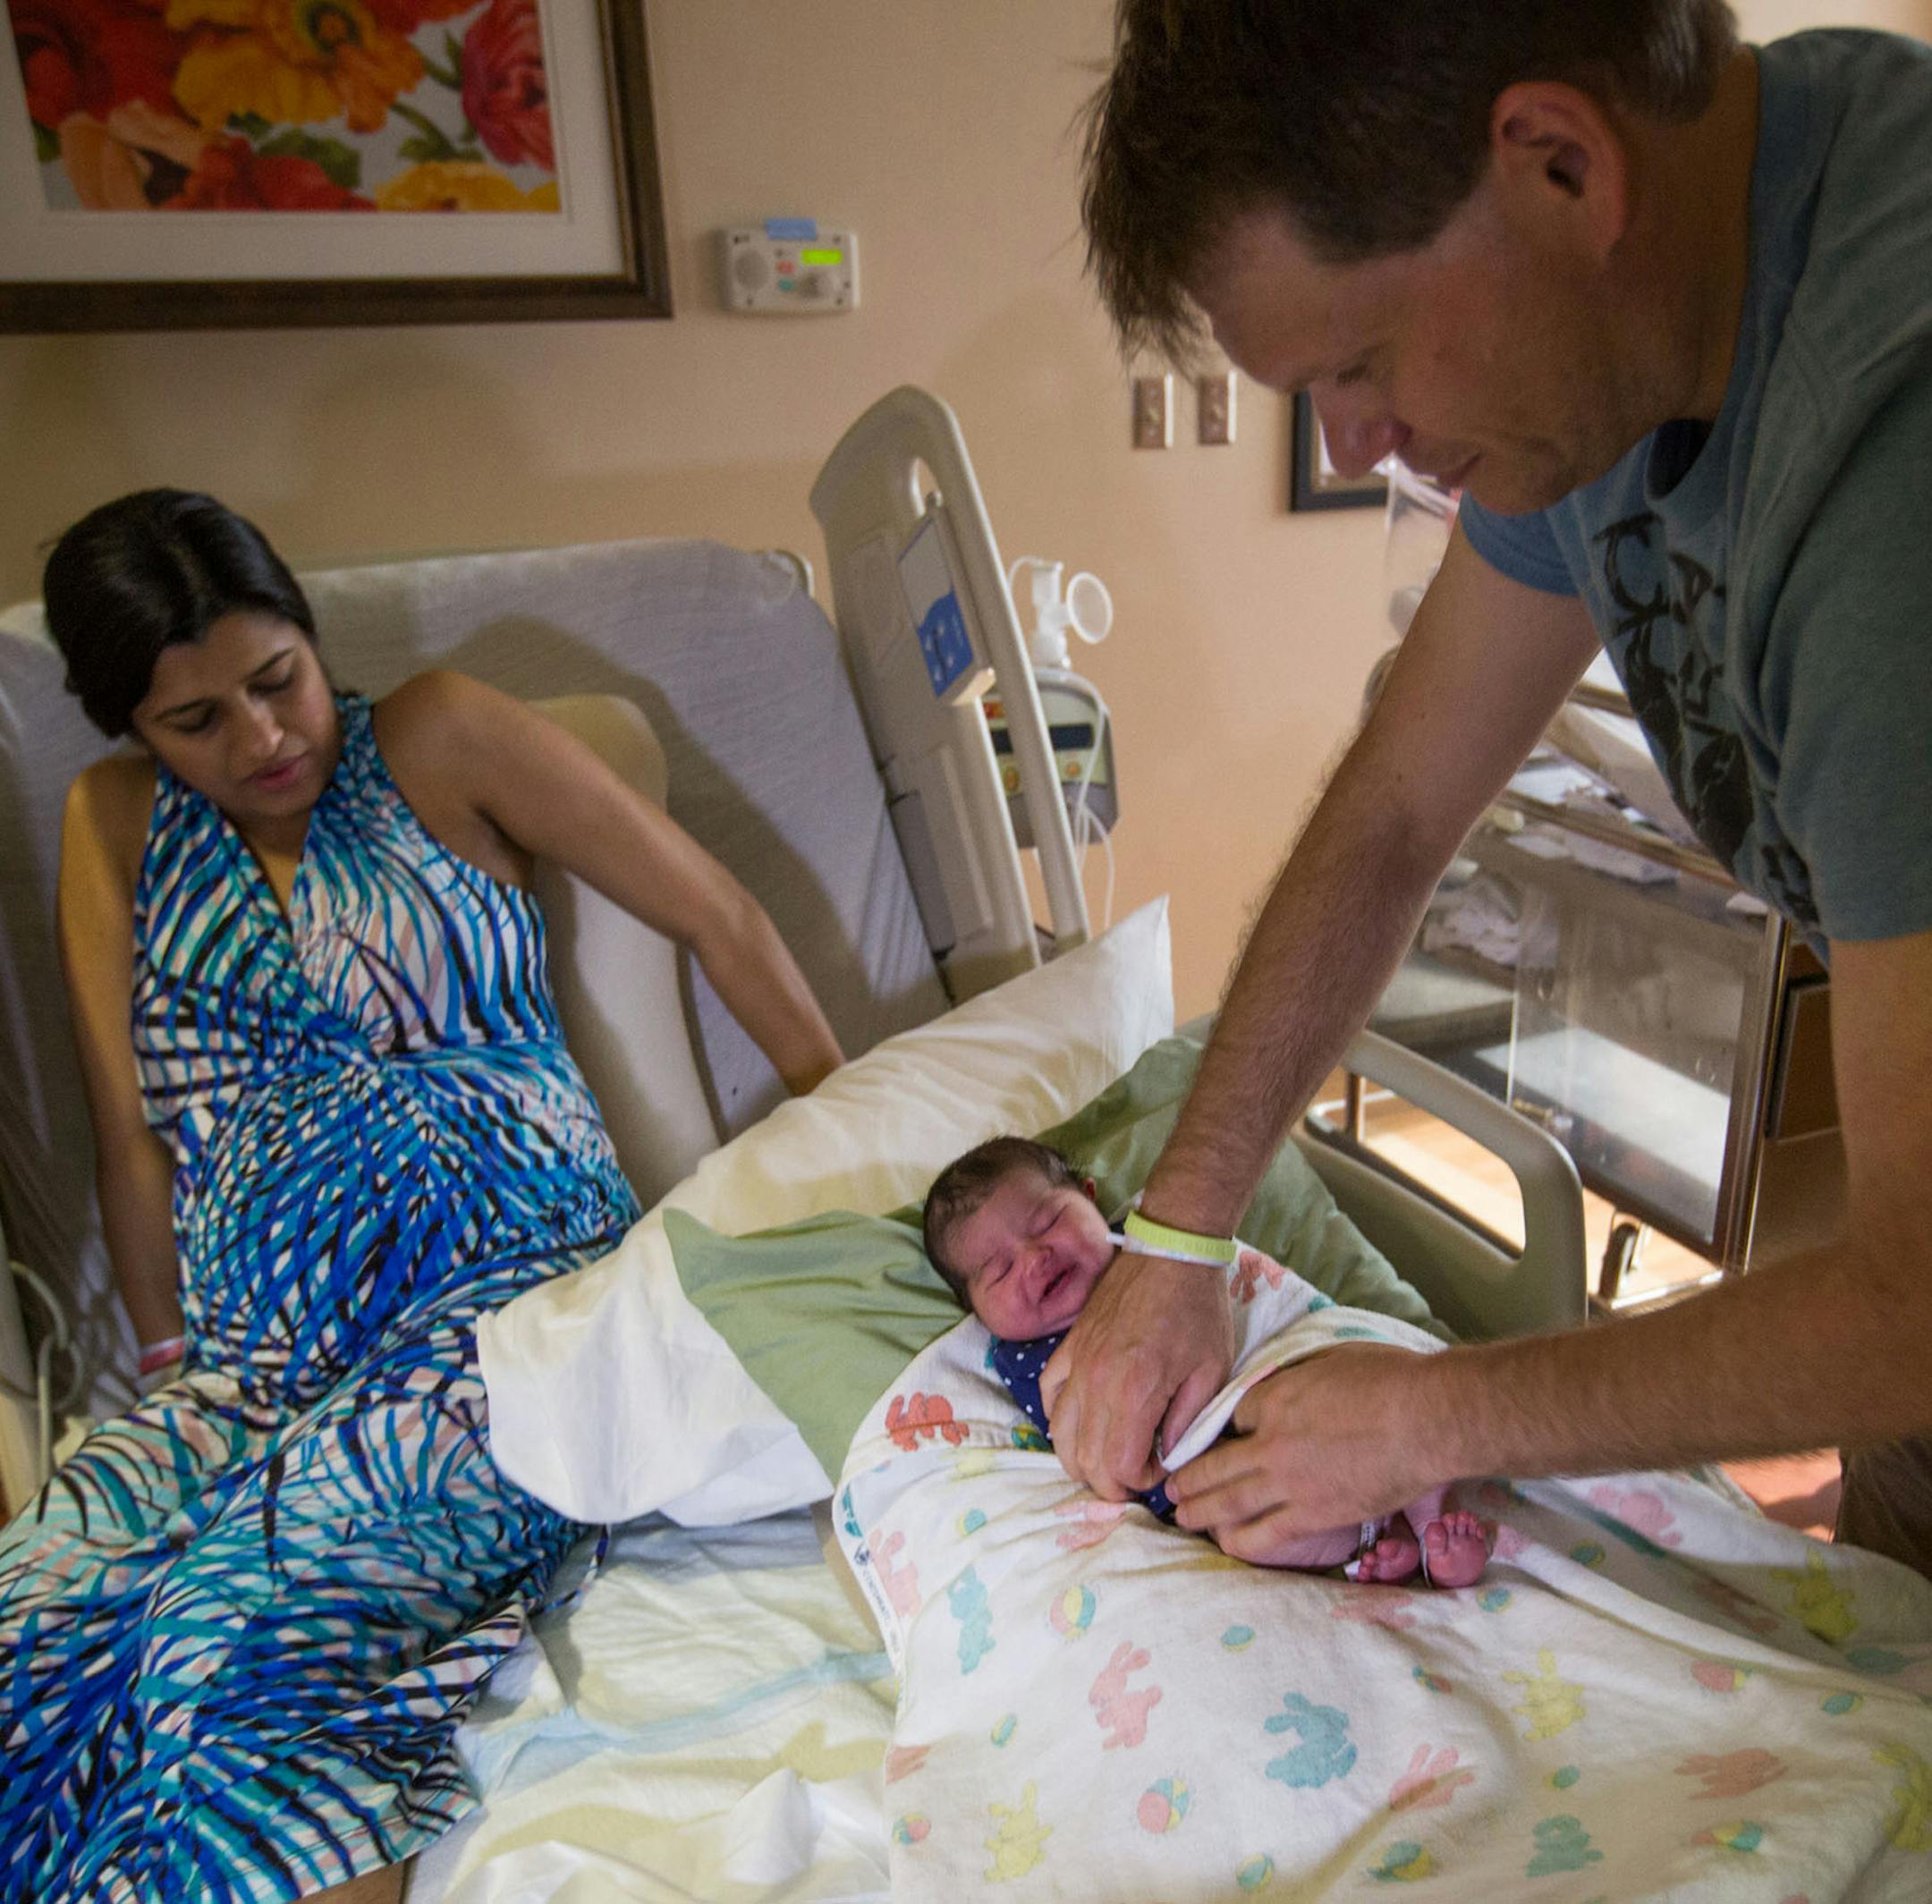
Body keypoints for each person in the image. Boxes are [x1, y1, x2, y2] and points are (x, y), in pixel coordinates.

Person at [1044, 3, 1932, 1580]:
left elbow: (1913, 1301)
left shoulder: (1889, 483)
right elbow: (1395, 802)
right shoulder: (1625, 353)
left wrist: (1426, 1418)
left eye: (1363, 362)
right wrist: (1183, 1225)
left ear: (1560, 167)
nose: (1360, 439)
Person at [0, 490, 844, 1904]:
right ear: (130, 731)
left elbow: (718, 914)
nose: (265, 739)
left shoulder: (440, 734)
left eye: (279, 680)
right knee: (29, 1632)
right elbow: (129, 1138)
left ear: (313, 637)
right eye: (196, 720)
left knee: (234, 1647)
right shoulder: (116, 823)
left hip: (499, 1332)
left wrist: (854, 1138)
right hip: (249, 1375)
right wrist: (164, 1372)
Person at [921, 1135, 1488, 1587]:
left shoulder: (1157, 1236)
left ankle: (1426, 1507)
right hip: (1226, 1458)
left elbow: (1235, 1277)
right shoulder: (1028, 1362)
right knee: (1244, 1530)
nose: (1035, 1257)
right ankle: (1369, 1545)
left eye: (1046, 1221)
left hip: (1283, 1361)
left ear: (1091, 1198)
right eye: (997, 1271)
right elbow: (1100, 1443)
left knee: (1355, 1392)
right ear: (976, 1310)